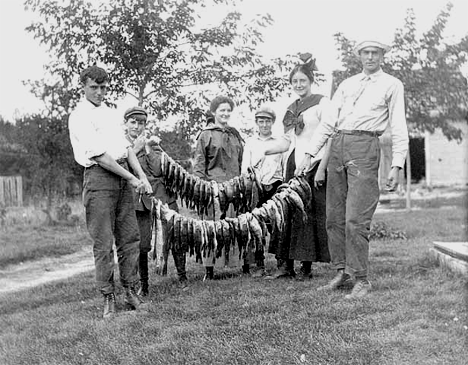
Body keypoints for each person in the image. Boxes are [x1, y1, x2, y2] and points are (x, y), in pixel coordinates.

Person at [299, 40, 409, 299]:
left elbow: (399, 125)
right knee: (333, 218)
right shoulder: (347, 84)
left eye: (375, 53)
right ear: (359, 56)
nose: (370, 57)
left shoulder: (392, 84)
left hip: (365, 146)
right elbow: (328, 122)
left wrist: (397, 164)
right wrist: (309, 154)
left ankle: (362, 279)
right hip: (338, 143)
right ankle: (342, 272)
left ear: (382, 56)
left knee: (355, 219)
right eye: (366, 53)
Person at [68, 66, 153, 319]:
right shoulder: (79, 116)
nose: (99, 92)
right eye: (94, 87)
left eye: (104, 88)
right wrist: (131, 178)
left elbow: (125, 149)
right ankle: (108, 297)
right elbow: (100, 157)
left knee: (130, 238)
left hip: (122, 177)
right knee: (103, 244)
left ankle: (130, 290)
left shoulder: (109, 112)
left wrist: (142, 176)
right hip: (99, 178)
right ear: (82, 86)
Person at [264, 54, 331, 281]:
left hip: (313, 163)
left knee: (307, 214)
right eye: (295, 82)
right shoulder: (291, 108)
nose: (299, 85)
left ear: (310, 81)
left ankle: (306, 266)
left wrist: (322, 165)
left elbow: (330, 134)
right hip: (293, 164)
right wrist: (263, 151)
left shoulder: (322, 102)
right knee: (288, 212)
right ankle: (285, 266)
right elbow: (286, 141)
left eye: (303, 81)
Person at [123, 106, 188, 293]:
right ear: (126, 124)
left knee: (175, 236)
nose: (137, 126)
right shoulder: (120, 145)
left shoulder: (151, 142)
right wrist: (134, 150)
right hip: (138, 200)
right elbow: (124, 170)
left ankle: (182, 276)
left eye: (141, 123)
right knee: (142, 244)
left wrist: (149, 148)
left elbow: (159, 170)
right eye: (133, 122)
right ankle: (143, 285)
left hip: (163, 198)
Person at [193, 96, 244, 280]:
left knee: (234, 225)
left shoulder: (235, 134)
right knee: (212, 227)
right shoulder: (205, 135)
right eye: (221, 110)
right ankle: (209, 269)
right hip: (213, 189)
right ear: (214, 112)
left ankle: (237, 264)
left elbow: (240, 161)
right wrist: (202, 187)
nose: (225, 113)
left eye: (228, 110)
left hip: (234, 186)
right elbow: (199, 164)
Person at [241, 105, 284, 277]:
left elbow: (284, 165)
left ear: (272, 122)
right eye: (261, 121)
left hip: (275, 186)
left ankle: (283, 264)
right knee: (255, 225)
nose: (264, 125)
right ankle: (258, 265)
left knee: (278, 225)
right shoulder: (251, 142)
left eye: (267, 121)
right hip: (256, 187)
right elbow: (245, 167)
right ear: (257, 123)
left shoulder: (280, 141)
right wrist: (249, 185)